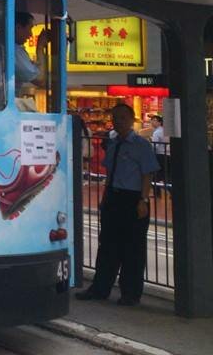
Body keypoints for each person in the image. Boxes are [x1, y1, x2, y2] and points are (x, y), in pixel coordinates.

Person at [76, 103, 159, 306]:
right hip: (113, 197)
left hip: (133, 199)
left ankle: (130, 293)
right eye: (115, 118)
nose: (118, 122)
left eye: (122, 118)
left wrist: (143, 200)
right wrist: (105, 198)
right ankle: (100, 288)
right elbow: (110, 173)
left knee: (133, 248)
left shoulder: (141, 145)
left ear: (131, 120)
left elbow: (147, 173)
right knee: (107, 245)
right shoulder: (113, 144)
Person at [14, 11, 49, 111]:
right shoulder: (14, 50)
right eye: (29, 28)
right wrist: (40, 47)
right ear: (18, 27)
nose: (30, 34)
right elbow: (40, 80)